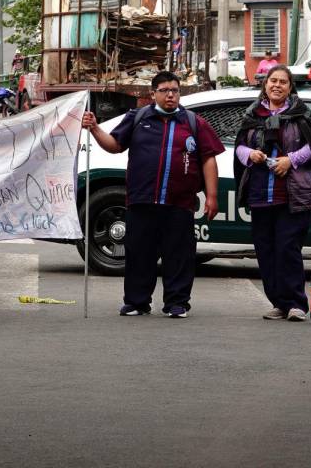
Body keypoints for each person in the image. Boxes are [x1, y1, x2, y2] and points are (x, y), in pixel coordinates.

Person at [82, 71, 223, 318]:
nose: (170, 95)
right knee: (139, 253)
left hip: (179, 202)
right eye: (165, 90)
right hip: (141, 200)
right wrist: (94, 128)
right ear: (153, 93)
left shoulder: (193, 122)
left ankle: (177, 303)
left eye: (175, 90)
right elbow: (114, 145)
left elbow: (209, 159)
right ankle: (137, 302)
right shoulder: (138, 118)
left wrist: (212, 196)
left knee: (179, 255)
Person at [233, 65, 311, 322]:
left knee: (288, 248)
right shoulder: (253, 114)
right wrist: (250, 155)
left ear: (290, 87)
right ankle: (279, 303)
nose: (277, 85)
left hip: (292, 195)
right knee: (266, 251)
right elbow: (239, 147)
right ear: (265, 85)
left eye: (282, 82)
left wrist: (291, 160)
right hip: (260, 195)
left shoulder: (301, 114)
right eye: (272, 81)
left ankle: (296, 303)